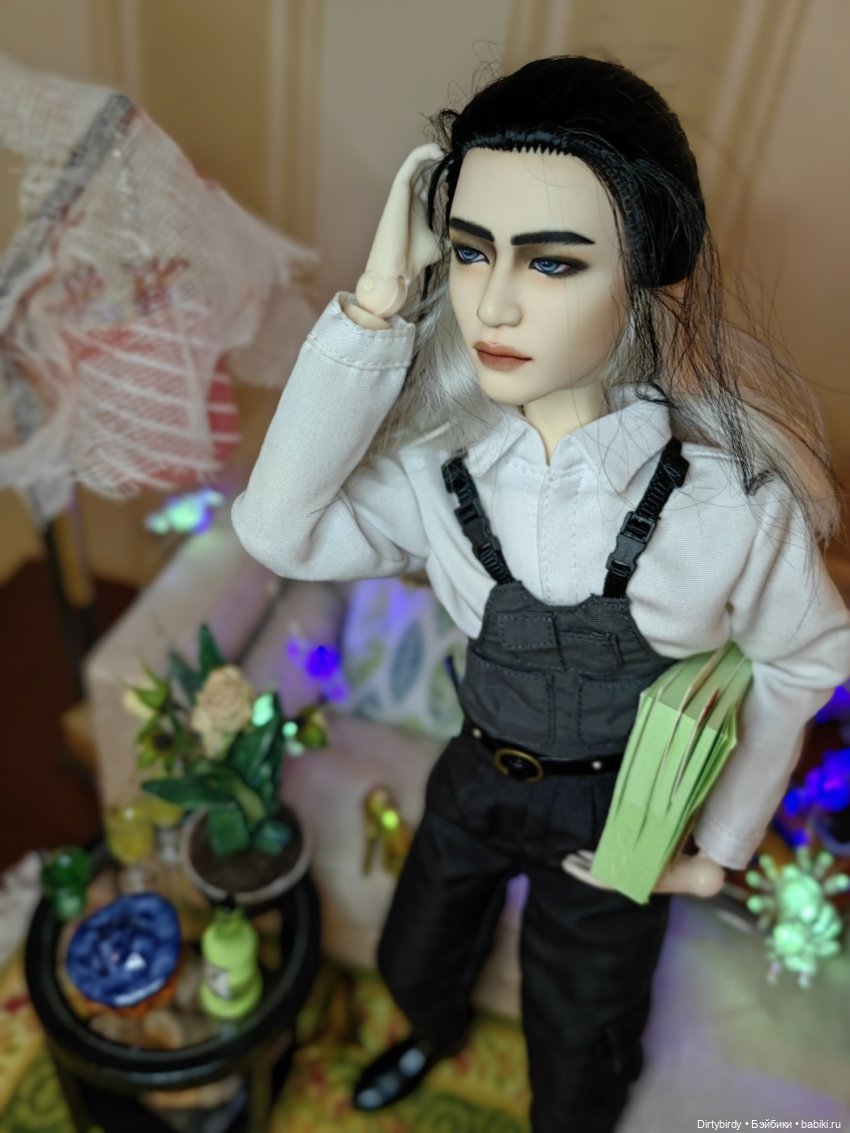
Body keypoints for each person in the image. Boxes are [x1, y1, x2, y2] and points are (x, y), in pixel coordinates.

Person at [232, 56, 850, 1133]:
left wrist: (719, 845)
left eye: (553, 262)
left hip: (618, 812)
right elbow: (275, 528)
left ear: (647, 277)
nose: (495, 300)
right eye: (471, 251)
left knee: (585, 1027)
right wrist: (377, 304)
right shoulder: (439, 466)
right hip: (476, 772)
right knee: (415, 952)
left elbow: (808, 654)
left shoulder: (727, 508)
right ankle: (428, 1032)